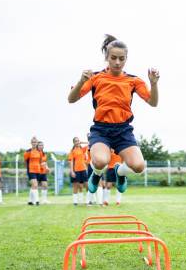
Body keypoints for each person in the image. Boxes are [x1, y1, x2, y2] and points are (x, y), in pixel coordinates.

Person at [67, 34, 159, 197]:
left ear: (126, 59)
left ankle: (120, 172)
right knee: (101, 161)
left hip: (123, 130)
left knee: (138, 166)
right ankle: (95, 174)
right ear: (107, 57)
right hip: (101, 129)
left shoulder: (133, 81)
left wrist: (153, 83)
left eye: (121, 59)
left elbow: (153, 102)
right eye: (114, 58)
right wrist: (81, 81)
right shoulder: (96, 78)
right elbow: (71, 99)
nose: (117, 62)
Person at [67, 137, 88, 206]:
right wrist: (72, 171)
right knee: (76, 186)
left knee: (86, 185)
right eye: (76, 141)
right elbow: (71, 161)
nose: (77, 142)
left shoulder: (83, 149)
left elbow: (90, 143)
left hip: (83, 170)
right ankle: (75, 202)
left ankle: (88, 201)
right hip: (76, 170)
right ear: (74, 143)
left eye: (78, 141)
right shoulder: (72, 151)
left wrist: (83, 142)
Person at [24, 136, 42, 206]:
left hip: (37, 170)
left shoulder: (39, 152)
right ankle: (36, 201)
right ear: (31, 143)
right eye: (33, 142)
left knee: (33, 186)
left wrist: (40, 168)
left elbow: (40, 161)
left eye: (35, 142)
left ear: (37, 143)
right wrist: (27, 169)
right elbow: (25, 161)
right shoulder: (28, 152)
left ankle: (30, 201)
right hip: (31, 170)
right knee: (35, 185)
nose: (34, 143)